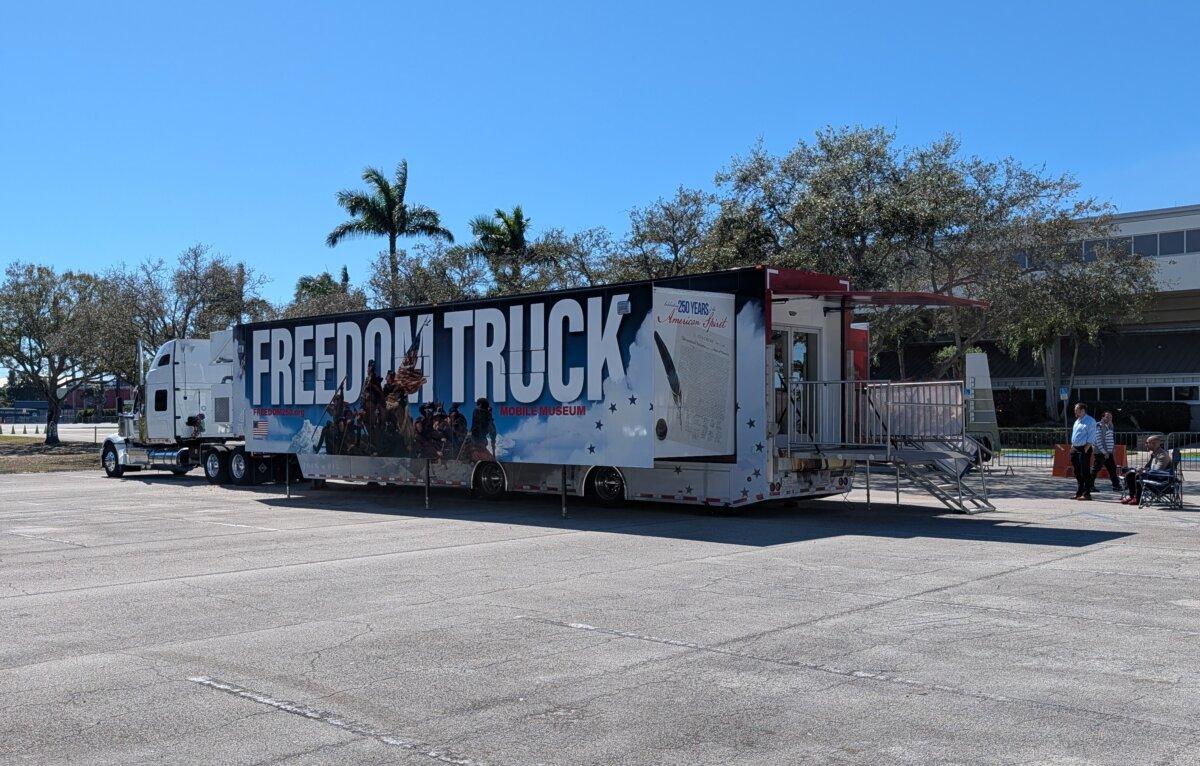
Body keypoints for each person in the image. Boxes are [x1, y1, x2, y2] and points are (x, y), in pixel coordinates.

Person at [1121, 434, 1174, 505]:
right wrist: (1141, 469)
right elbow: (1149, 467)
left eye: (1147, 443)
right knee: (1130, 474)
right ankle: (1132, 496)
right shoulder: (1153, 453)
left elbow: (1157, 471)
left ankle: (1138, 498)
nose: (1145, 445)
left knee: (1139, 475)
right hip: (1152, 475)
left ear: (1154, 444)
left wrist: (1143, 471)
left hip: (1160, 479)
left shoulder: (1162, 456)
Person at [1069, 403, 1098, 500]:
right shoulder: (1077, 421)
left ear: (1082, 410)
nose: (1075, 411)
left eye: (1076, 409)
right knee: (1077, 472)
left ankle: (1087, 494)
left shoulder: (1090, 421)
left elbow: (1092, 435)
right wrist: (1072, 446)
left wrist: (1086, 447)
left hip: (1084, 448)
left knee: (1085, 472)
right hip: (1075, 448)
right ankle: (1079, 492)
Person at [1090, 410, 1122, 492]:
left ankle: (1116, 486)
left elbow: (1110, 438)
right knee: (1096, 469)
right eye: (1107, 417)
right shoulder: (1099, 426)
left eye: (1110, 417)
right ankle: (1089, 486)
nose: (1109, 418)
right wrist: (1104, 452)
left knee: (1112, 469)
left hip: (1108, 453)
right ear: (1102, 417)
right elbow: (1098, 440)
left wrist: (1111, 449)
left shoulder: (1109, 426)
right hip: (1101, 452)